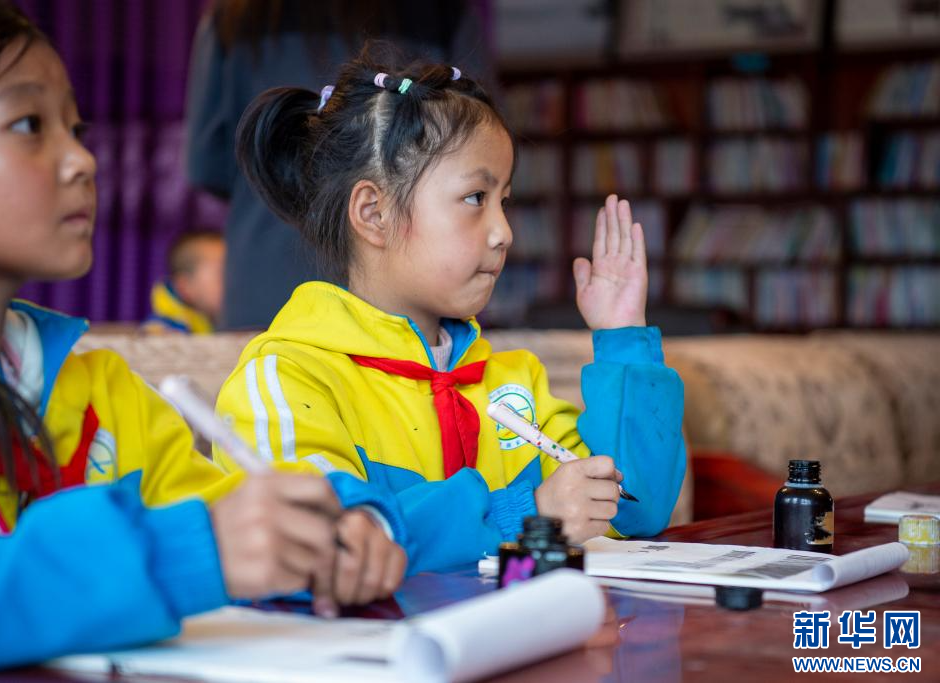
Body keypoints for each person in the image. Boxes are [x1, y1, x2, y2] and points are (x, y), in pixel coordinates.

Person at [0, 2, 405, 675]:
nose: (82, 159)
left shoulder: (107, 392)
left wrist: (324, 536)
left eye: (77, 129)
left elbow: (223, 517)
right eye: (29, 125)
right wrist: (189, 551)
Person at [215, 44, 687, 574]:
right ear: (374, 213)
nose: (504, 232)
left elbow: (636, 509)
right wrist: (526, 514)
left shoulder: (511, 383)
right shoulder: (287, 379)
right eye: (475, 198)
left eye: (503, 201)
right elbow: (327, 544)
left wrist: (623, 337)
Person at [185, 0, 492, 328]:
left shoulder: (233, 17)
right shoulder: (444, 11)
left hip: (267, 281)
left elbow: (206, 165)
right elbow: (482, 144)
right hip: (402, 292)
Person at [143, 228, 226, 334]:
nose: (234, 285)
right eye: (222, 274)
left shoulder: (216, 322)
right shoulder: (165, 329)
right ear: (185, 287)